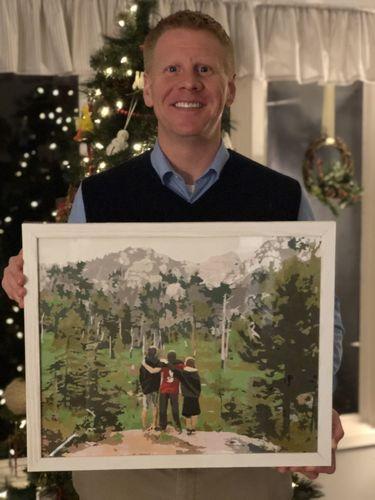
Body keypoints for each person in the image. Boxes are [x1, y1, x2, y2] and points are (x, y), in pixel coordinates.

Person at [2, 9, 344, 500]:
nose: (189, 83)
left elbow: (320, 318)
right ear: (146, 88)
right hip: (120, 470)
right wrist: (25, 280)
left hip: (246, 467)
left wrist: (316, 403)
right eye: (172, 69)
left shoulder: (282, 196)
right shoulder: (97, 197)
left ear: (229, 88)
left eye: (205, 69)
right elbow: (63, 311)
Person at [172, 357, 201, 435]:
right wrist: (198, 394)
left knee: (187, 413)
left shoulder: (183, 372)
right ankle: (193, 427)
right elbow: (198, 386)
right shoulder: (196, 373)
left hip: (187, 396)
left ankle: (188, 428)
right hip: (195, 396)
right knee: (195, 413)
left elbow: (177, 376)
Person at [159, 350, 184, 432]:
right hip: (173, 390)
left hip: (164, 389)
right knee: (175, 409)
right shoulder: (179, 365)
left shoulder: (165, 365)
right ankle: (177, 426)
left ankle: (163, 426)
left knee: (163, 409)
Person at [139, 346, 161, 431]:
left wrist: (143, 386)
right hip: (155, 387)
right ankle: (154, 425)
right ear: (155, 353)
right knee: (155, 406)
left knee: (145, 407)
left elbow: (141, 376)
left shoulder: (144, 362)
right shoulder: (158, 362)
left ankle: (144, 427)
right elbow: (155, 372)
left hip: (146, 388)